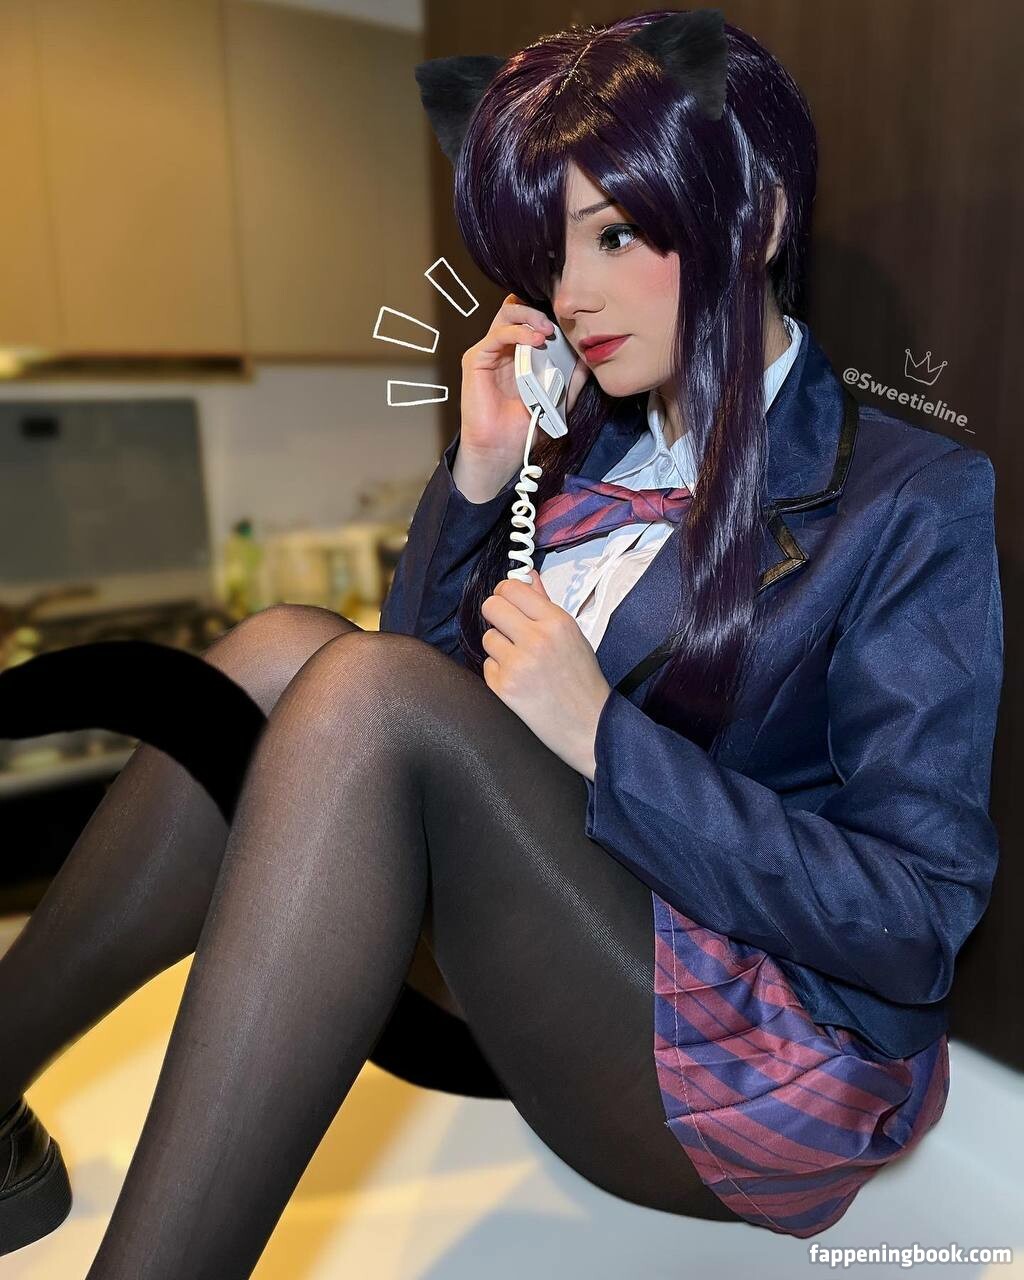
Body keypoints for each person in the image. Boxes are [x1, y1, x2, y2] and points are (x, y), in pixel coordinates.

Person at [0, 7, 1003, 1274]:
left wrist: (603, 737)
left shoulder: (907, 499)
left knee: (360, 681)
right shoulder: (585, 454)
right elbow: (378, 732)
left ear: (754, 218)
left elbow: (916, 915)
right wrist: (479, 474)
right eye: (549, 248)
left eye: (615, 234)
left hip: (759, 1059)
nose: (568, 294)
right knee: (280, 651)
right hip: (571, 954)